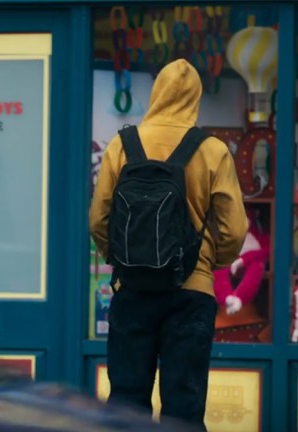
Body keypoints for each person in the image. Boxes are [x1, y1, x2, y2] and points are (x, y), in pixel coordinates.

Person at [89, 59, 248, 430]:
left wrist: (124, 260)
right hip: (191, 294)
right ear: (195, 99)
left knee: (126, 403)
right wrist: (209, 264)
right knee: (184, 406)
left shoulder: (122, 144)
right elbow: (234, 230)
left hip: (133, 290)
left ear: (156, 92)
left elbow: (99, 219)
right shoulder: (212, 150)